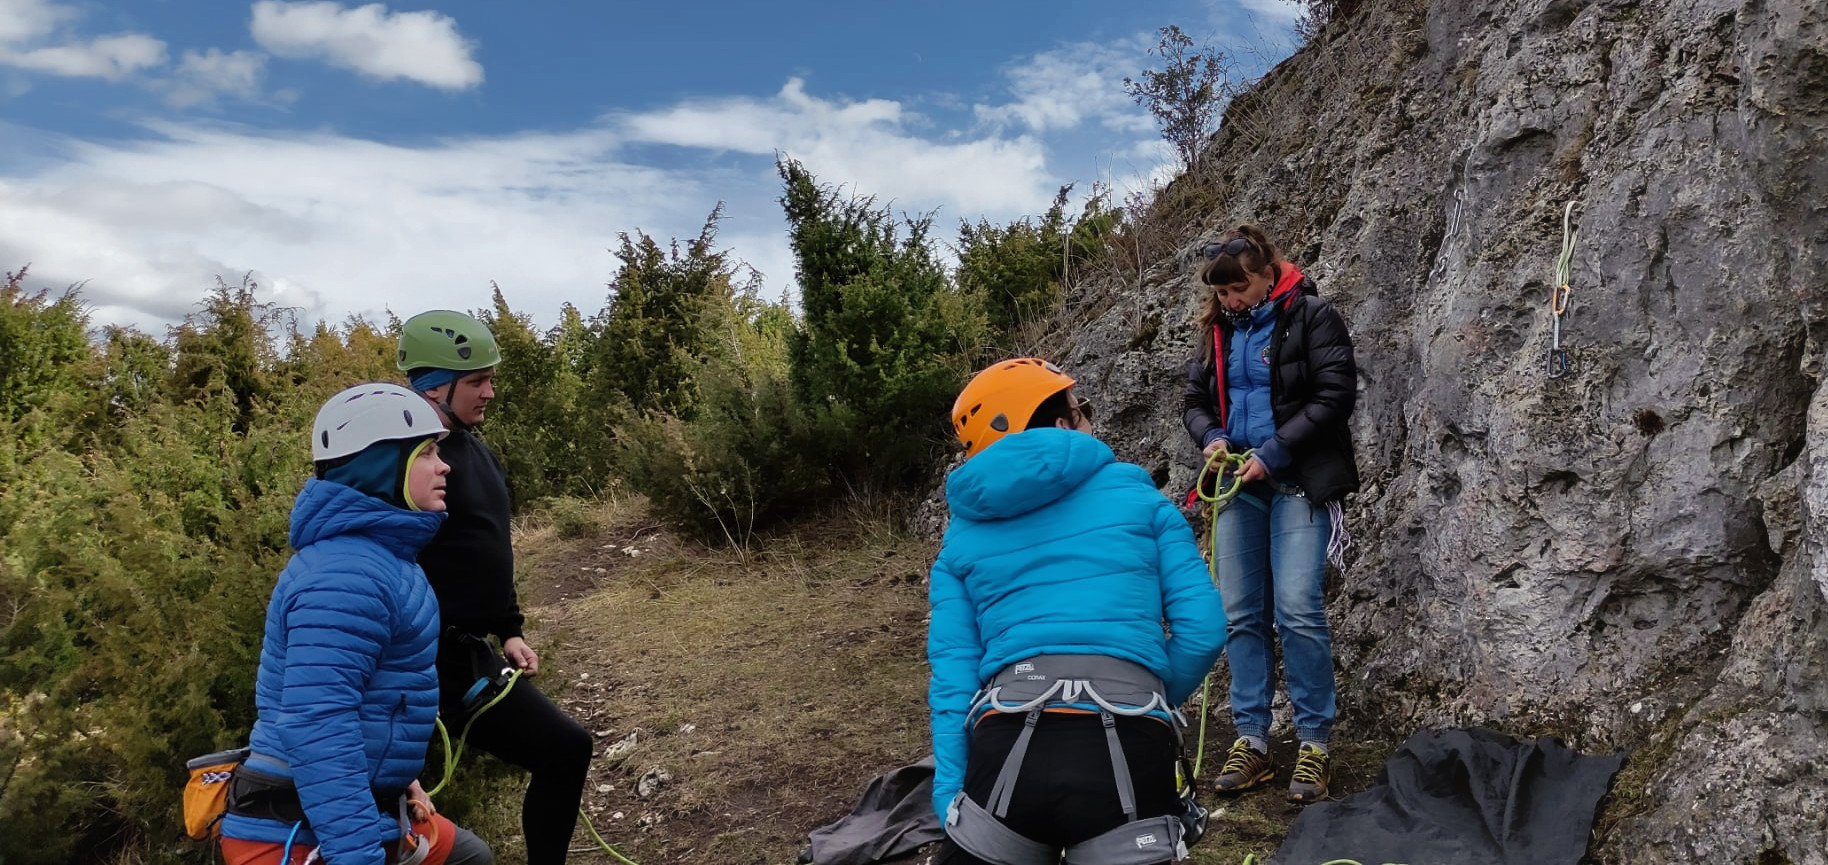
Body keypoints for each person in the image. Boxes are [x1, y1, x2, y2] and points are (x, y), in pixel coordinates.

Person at [927, 358, 1228, 865]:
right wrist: (1141, 692)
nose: (1090, 417)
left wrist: (949, 797)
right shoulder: (1139, 497)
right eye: (1082, 408)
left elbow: (953, 679)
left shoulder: (962, 535)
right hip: (1130, 744)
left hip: (1006, 743)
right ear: (1064, 423)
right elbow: (1204, 627)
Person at [220, 382, 491, 865]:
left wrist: (401, 778)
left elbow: (371, 695)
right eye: (427, 452)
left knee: (468, 856)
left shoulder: (382, 558)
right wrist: (359, 856)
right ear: (383, 467)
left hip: (352, 804)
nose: (444, 464)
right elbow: (318, 722)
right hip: (293, 830)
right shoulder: (344, 574)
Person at [397, 310, 594, 865]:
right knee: (562, 749)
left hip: (471, 655)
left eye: (490, 378)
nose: (490, 391)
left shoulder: (472, 450)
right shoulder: (409, 463)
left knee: (565, 750)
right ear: (434, 385)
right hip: (426, 664)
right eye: (477, 381)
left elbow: (488, 548)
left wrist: (508, 628)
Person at [1180, 225, 1359, 803]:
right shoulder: (1215, 333)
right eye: (1223, 292)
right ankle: (1252, 741)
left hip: (1297, 482)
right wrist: (1210, 437)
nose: (1231, 301)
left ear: (1267, 273)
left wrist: (1274, 454)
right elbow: (1195, 402)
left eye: (1239, 289)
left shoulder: (1314, 316)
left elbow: (1334, 397)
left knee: (1299, 609)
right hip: (1236, 486)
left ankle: (1314, 747)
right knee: (1238, 615)